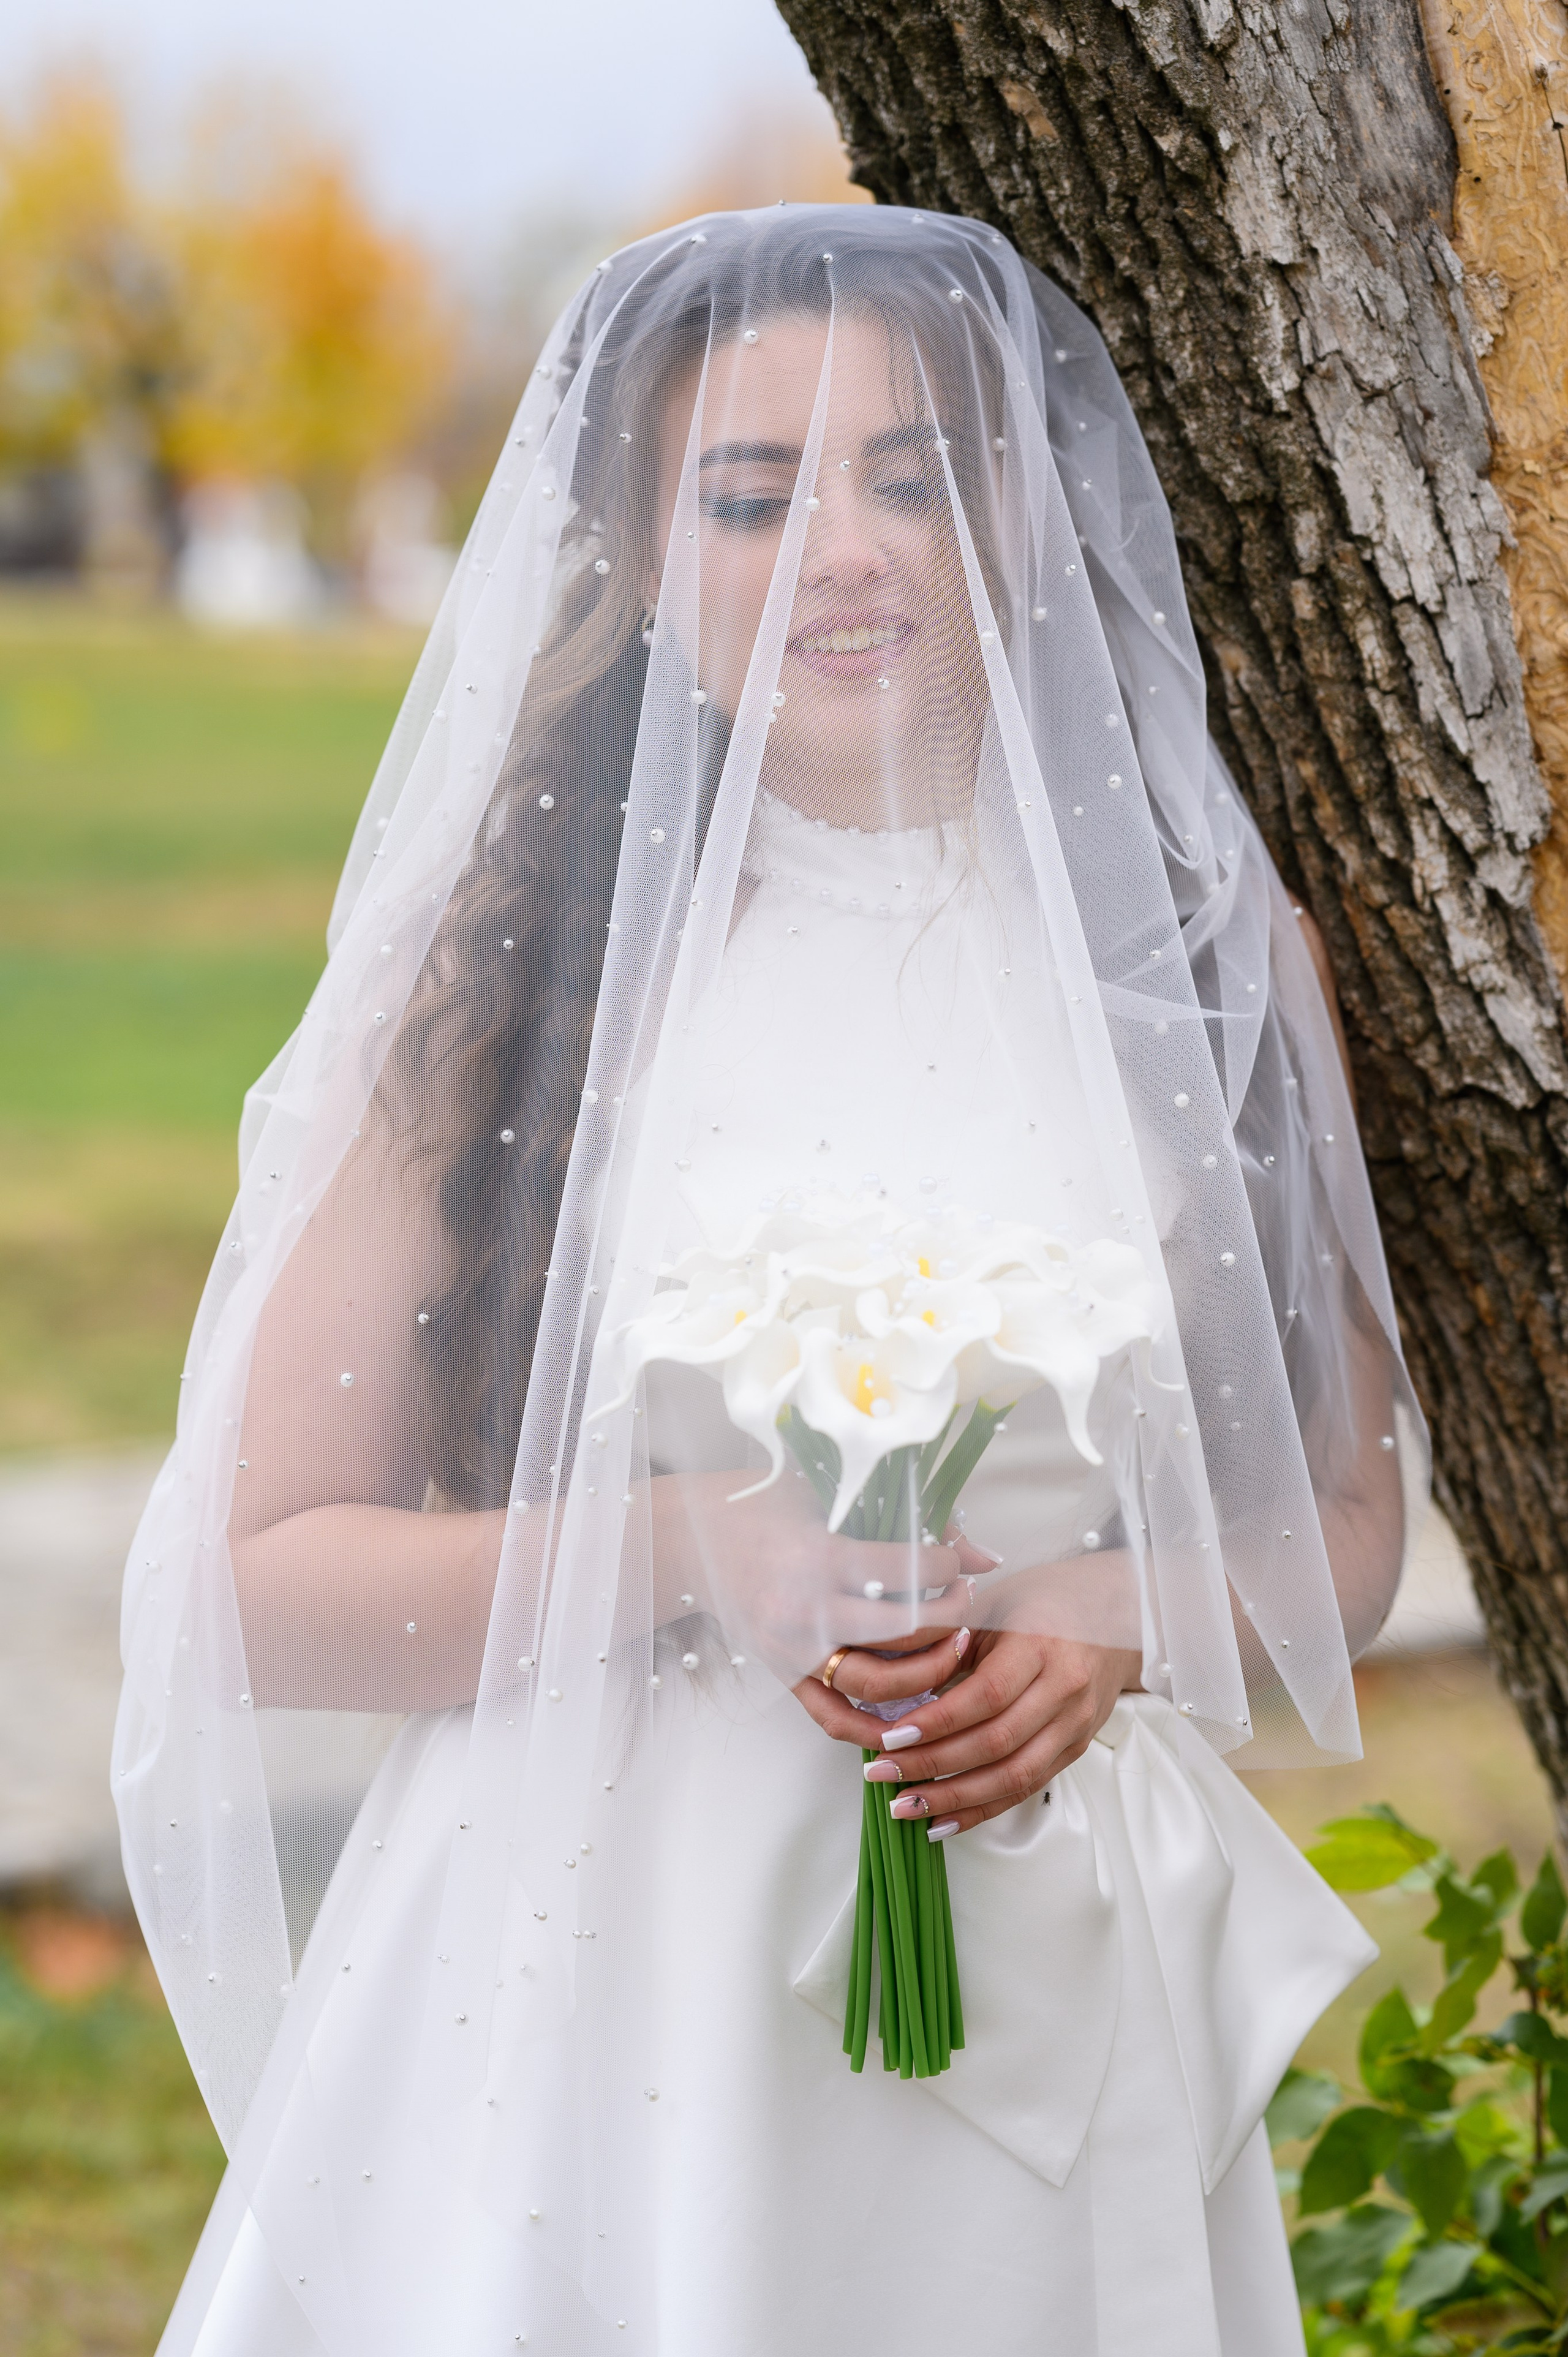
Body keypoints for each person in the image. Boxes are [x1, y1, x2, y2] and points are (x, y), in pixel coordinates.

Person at [116, 205, 1425, 2357]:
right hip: (595, 1969)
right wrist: (688, 1550)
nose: (847, 550)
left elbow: (1347, 1534)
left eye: (918, 476)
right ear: (637, 549)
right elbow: (251, 1583)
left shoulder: (1201, 965)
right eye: (754, 493)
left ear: (1027, 512)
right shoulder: (508, 977)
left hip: (1034, 1943)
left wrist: (1114, 1615)